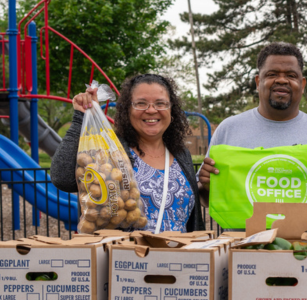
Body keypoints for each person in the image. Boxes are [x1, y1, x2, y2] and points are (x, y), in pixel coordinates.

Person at [197, 42, 307, 211]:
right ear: (258, 81)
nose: (281, 80)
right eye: (272, 74)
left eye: (291, 75)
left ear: (303, 84)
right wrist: (207, 187)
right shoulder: (228, 129)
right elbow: (205, 199)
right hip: (240, 238)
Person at [51, 74, 204, 233]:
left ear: (171, 109)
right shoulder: (109, 152)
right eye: (141, 103)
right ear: (127, 110)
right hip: (123, 257)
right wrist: (80, 118)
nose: (151, 110)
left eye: (160, 103)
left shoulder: (181, 154)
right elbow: (62, 179)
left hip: (178, 256)